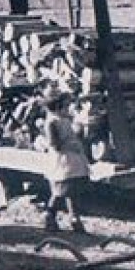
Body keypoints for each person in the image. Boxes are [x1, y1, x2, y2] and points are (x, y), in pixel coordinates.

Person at [40, 93, 90, 233]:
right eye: (65, 106)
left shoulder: (64, 119)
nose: (67, 109)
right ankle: (49, 216)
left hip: (73, 158)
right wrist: (69, 146)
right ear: (57, 107)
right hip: (62, 159)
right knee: (60, 190)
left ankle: (74, 218)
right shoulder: (52, 122)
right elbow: (54, 144)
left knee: (73, 189)